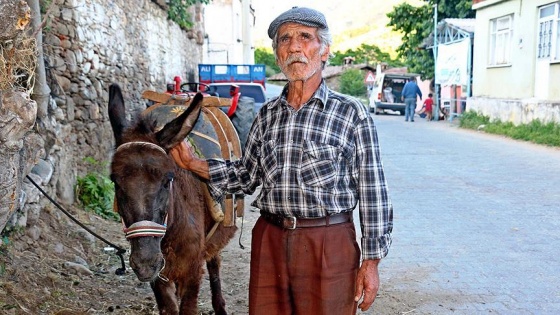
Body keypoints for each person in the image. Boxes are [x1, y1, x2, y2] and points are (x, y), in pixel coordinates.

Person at [170, 6, 393, 315]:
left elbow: (373, 192)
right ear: (277, 54)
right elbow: (247, 176)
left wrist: (371, 262)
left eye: (306, 37)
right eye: (285, 39)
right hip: (270, 239)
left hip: (328, 242)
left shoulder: (351, 113)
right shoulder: (267, 115)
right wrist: (194, 163)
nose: (295, 46)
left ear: (324, 49)